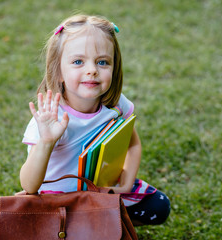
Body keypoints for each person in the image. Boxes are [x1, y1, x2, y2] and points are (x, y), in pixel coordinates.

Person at [20, 14, 170, 225]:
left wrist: (125, 185)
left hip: (100, 189)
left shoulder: (116, 105)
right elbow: (29, 186)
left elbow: (133, 144)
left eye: (102, 62)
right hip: (57, 199)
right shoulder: (49, 118)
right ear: (59, 71)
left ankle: (102, 224)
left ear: (114, 67)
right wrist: (46, 141)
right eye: (78, 61)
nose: (92, 70)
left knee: (159, 206)